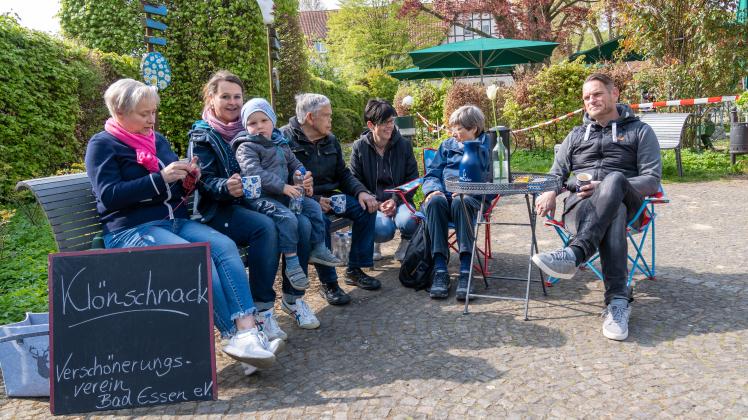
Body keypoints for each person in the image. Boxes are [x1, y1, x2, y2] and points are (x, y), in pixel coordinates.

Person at [85, 78, 282, 373]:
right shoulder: (103, 145)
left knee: (224, 247)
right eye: (144, 114)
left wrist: (188, 178)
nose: (152, 120)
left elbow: (175, 190)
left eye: (153, 112)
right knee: (196, 259)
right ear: (119, 111)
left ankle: (247, 331)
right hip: (131, 230)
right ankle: (233, 337)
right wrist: (160, 178)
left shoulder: (158, 141)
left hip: (174, 222)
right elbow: (109, 196)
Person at [188, 72, 319, 377]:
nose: (233, 103)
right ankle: (262, 309)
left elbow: (281, 165)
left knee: (301, 223)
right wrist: (225, 187)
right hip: (219, 210)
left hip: (254, 203)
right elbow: (202, 181)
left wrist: (301, 178)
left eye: (237, 97)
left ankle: (293, 298)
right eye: (225, 96)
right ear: (212, 99)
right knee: (266, 227)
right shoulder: (202, 135)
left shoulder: (255, 128)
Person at [532, 73, 662, 341]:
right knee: (614, 213)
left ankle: (575, 253)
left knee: (614, 181)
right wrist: (549, 191)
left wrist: (605, 185)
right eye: (586, 97)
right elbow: (556, 175)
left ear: (614, 94)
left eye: (597, 94)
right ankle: (617, 303)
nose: (591, 100)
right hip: (580, 207)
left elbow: (651, 179)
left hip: (631, 204)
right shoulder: (576, 134)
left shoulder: (640, 131)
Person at [232, 97, 343, 291]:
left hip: (283, 195)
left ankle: (318, 248)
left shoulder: (280, 143)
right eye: (252, 123)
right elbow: (255, 172)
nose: (259, 126)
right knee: (289, 219)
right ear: (245, 126)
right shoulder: (246, 147)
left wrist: (303, 177)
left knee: (314, 207)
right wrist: (284, 187)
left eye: (264, 121)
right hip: (261, 198)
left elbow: (295, 164)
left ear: (272, 122)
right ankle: (292, 262)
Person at [280, 93, 381, 303]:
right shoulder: (284, 140)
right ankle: (329, 284)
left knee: (365, 207)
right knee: (321, 221)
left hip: (331, 196)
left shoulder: (330, 140)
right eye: (327, 116)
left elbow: (343, 174)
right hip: (303, 201)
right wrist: (315, 200)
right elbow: (283, 181)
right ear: (310, 118)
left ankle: (354, 269)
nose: (331, 120)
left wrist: (361, 191)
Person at [421, 105, 492, 301]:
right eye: (453, 127)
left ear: (474, 129)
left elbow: (492, 182)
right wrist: (433, 190)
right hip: (444, 200)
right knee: (434, 202)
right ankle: (441, 271)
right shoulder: (446, 146)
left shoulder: (488, 148)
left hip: (473, 202)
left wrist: (466, 191)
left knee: (461, 201)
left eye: (459, 128)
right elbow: (432, 175)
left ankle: (466, 272)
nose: (454, 132)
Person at [350, 99, 419, 261]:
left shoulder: (404, 145)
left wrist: (395, 200)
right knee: (382, 230)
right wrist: (375, 202)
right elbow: (354, 180)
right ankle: (375, 242)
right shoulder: (359, 147)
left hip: (401, 201)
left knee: (411, 220)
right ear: (370, 125)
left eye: (391, 121)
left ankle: (406, 242)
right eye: (385, 123)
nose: (390, 126)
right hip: (372, 203)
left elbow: (413, 179)